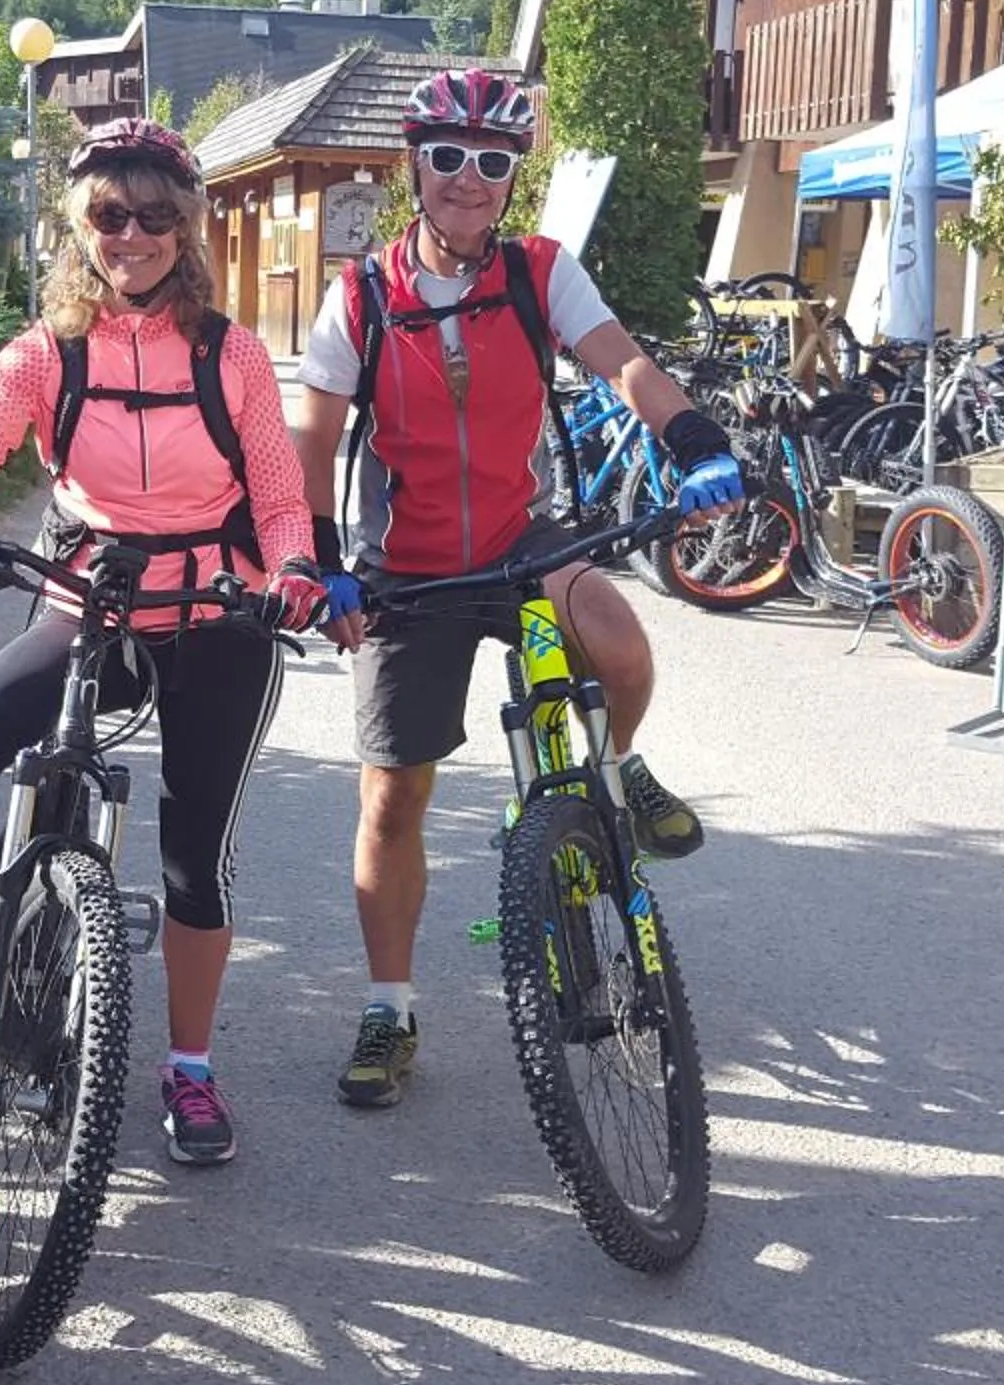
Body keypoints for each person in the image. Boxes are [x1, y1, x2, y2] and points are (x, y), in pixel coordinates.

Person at [286, 66, 744, 1111]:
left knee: (620, 647)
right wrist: (322, 556)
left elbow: (623, 363)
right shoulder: (358, 294)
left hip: (521, 535)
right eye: (447, 158)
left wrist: (693, 438)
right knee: (393, 793)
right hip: (408, 562)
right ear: (416, 168)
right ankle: (390, 1005)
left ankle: (614, 773)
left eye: (493, 162)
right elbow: (313, 439)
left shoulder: (541, 271)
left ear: (511, 180)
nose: (468, 178)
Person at [0, 118, 326, 1168]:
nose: (132, 235)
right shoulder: (47, 351)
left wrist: (294, 569)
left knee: (193, 855)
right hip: (92, 601)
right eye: (109, 215)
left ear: (188, 227)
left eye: (155, 215)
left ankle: (191, 1068)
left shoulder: (233, 353)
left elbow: (280, 493)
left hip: (218, 613)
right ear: (81, 228)